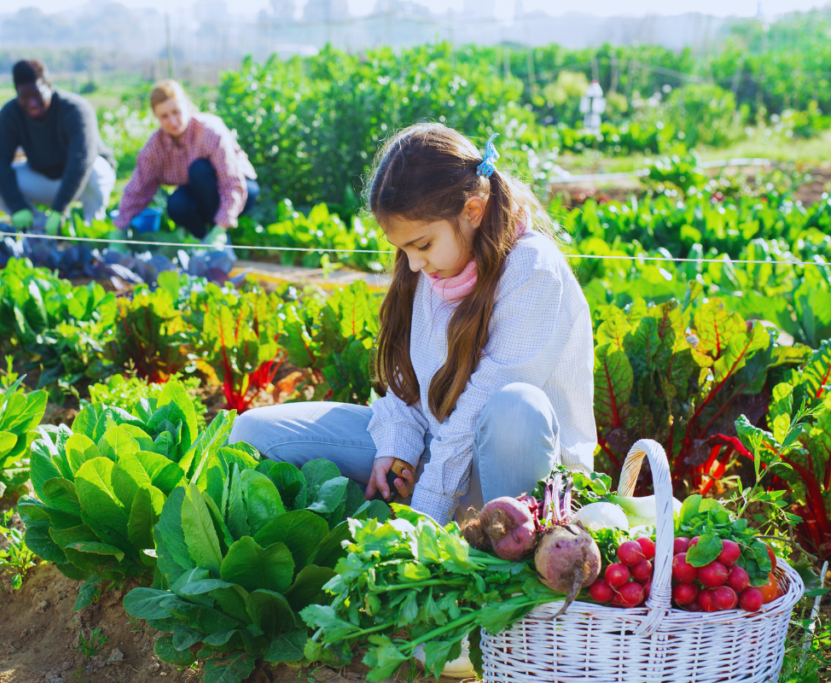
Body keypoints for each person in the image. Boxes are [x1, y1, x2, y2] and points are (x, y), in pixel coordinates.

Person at [228, 124, 596, 526]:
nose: (415, 263)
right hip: (440, 457)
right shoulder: (433, 268)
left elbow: (478, 409)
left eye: (421, 245)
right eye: (402, 248)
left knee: (516, 407)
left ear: (473, 211)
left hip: (516, 485)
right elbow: (409, 381)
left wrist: (422, 522)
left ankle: (507, 562)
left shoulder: (531, 268)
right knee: (255, 432)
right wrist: (397, 444)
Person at [0, 59, 117, 234]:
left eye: (37, 94)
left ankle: (92, 227)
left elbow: (81, 161)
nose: (32, 103)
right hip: (44, 179)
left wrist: (60, 209)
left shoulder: (75, 109)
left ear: (49, 87)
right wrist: (17, 205)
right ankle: (40, 229)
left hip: (82, 181)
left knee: (96, 168)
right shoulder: (11, 113)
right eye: (24, 97)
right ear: (17, 94)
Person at [115, 80, 259, 243]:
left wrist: (221, 227)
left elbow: (231, 183)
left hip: (240, 189)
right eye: (164, 116)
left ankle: (220, 234)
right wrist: (119, 228)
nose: (173, 121)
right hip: (201, 194)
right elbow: (138, 188)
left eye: (176, 111)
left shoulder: (209, 132)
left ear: (186, 106)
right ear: (156, 117)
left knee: (199, 169)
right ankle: (203, 239)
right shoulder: (155, 148)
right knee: (176, 204)